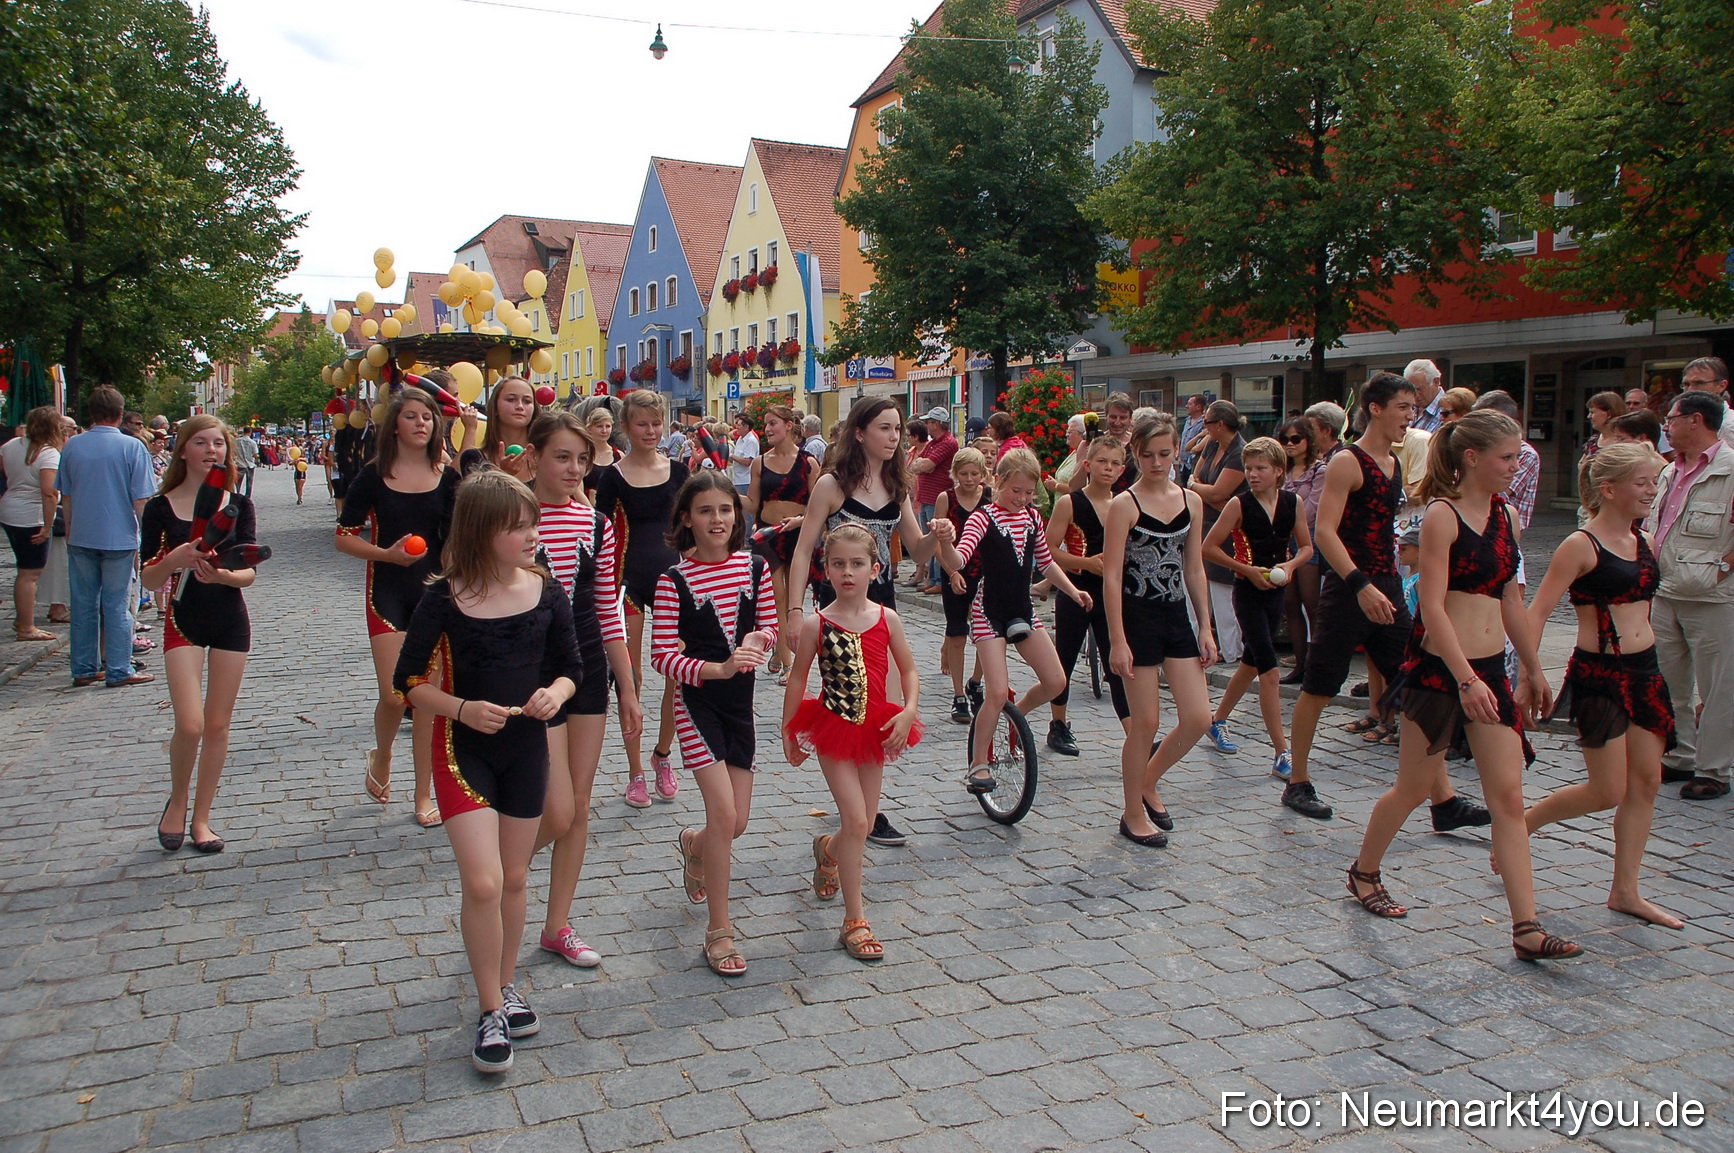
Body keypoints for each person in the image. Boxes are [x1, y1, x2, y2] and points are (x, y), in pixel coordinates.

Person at [1344, 411, 1581, 961]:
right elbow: (1431, 605)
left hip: (1489, 672)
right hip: (1439, 672)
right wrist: (1465, 677)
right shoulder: (1441, 518)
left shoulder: (1508, 517)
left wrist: (1533, 668)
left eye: (1518, 456)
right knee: (1411, 788)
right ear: (1472, 458)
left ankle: (1526, 928)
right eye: (1506, 457)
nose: (1515, 467)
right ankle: (1363, 872)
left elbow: (1511, 600)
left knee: (1509, 798)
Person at [394, 470, 582, 1073]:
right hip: (462, 752)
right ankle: (488, 1009)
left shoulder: (547, 590)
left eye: (533, 522)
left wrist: (555, 692)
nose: (532, 533)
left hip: (528, 749)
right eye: (518, 525)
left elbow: (571, 665)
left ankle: (505, 986)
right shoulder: (444, 597)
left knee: (515, 877)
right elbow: (409, 681)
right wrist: (461, 709)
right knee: (482, 881)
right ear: (481, 532)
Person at [1286, 373, 1486, 821]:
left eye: (1413, 408)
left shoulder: (1394, 463)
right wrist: (1360, 585)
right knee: (1319, 687)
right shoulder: (1347, 461)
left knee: (1412, 686)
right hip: (1348, 589)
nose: (1409, 416)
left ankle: (1443, 798)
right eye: (1402, 407)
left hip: (1387, 588)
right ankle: (1297, 780)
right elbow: (1325, 533)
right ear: (1375, 408)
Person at [1525, 443, 1683, 928]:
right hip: (1600, 675)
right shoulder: (1580, 545)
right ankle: (1523, 825)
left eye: (1654, 482)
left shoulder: (1648, 541)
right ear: (1609, 489)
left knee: (1647, 782)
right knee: (1607, 788)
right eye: (1642, 483)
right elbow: (1538, 611)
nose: (1651, 491)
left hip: (1646, 670)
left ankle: (1626, 891)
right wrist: (1530, 675)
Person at [785, 398, 948, 847]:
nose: (894, 437)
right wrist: (795, 613)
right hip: (837, 608)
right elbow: (803, 550)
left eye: (897, 429)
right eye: (884, 428)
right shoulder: (833, 485)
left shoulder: (898, 485)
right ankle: (856, 813)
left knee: (885, 706)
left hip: (882, 606)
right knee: (848, 700)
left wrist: (938, 535)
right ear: (860, 432)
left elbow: (915, 550)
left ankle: (865, 812)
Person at [523, 413, 643, 968]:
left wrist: (629, 686)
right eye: (561, 457)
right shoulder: (511, 512)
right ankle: (500, 875)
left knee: (581, 801)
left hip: (589, 664)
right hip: (532, 669)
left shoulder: (596, 522)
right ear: (534, 457)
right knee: (559, 807)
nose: (573, 469)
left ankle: (557, 924)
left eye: (581, 459)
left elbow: (607, 610)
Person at [653, 472, 778, 977]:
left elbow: (767, 625)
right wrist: (717, 668)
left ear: (737, 513)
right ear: (687, 518)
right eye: (705, 511)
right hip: (698, 704)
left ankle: (693, 844)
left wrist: (759, 645)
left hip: (740, 704)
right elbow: (662, 656)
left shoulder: (755, 566)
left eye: (725, 509)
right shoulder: (673, 579)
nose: (717, 520)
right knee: (724, 816)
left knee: (736, 822)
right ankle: (720, 931)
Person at [783, 524, 923, 962]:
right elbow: (799, 676)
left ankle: (828, 850)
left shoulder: (887, 618)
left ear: (875, 569)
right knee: (859, 822)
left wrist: (908, 709)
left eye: (857, 564)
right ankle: (854, 920)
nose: (847, 572)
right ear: (825, 570)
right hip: (833, 727)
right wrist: (789, 730)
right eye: (838, 564)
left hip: (876, 729)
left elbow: (910, 670)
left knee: (858, 822)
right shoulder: (817, 623)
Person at [932, 448, 1093, 796]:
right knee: (996, 691)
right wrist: (945, 542)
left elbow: (1047, 562)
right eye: (1015, 490)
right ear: (998, 482)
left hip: (1022, 609)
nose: (1021, 499)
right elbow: (959, 558)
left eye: (1028, 493)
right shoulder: (983, 517)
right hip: (988, 612)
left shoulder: (1033, 519)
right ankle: (978, 763)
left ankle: (1014, 716)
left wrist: (1072, 589)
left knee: (1055, 681)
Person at [335, 386, 461, 828]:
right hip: (387, 591)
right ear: (395, 424)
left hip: (436, 595)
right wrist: (385, 554)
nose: (421, 423)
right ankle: (383, 754)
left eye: (427, 416)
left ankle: (424, 794)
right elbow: (344, 535)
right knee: (394, 694)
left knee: (426, 697)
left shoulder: (448, 479)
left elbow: (459, 534)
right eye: (411, 416)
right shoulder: (372, 476)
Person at [139, 415, 258, 854]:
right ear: (183, 450)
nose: (213, 451)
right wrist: (176, 559)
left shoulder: (238, 506)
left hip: (229, 618)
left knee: (217, 725)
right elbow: (149, 579)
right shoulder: (160, 506)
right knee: (189, 724)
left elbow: (248, 572)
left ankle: (203, 817)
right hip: (182, 619)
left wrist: (223, 575)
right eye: (202, 443)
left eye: (220, 444)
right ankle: (178, 800)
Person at [1102, 415, 1216, 847]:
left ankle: (1148, 781)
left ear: (1176, 452)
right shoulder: (1124, 505)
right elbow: (1112, 575)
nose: (1156, 462)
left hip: (1175, 615)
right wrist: (1117, 639)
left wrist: (1205, 626)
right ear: (1135, 454)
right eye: (1147, 455)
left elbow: (1194, 566)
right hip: (1137, 616)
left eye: (1165, 454)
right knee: (1145, 722)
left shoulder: (1191, 501)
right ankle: (1133, 813)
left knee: (1198, 717)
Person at [592, 389, 691, 809]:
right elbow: (601, 530)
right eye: (641, 424)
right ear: (626, 427)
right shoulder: (613, 476)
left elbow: (693, 524)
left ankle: (663, 755)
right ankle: (634, 771)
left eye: (657, 423)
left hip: (674, 581)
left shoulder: (680, 470)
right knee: (629, 679)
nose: (650, 431)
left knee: (678, 675)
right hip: (626, 583)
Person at [1202, 436, 1314, 778]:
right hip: (1248, 593)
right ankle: (1282, 751)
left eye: (1260, 468)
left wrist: (1291, 567)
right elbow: (1209, 547)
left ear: (1278, 471)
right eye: (1248, 468)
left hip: (1275, 593)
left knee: (1251, 664)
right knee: (1270, 672)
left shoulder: (1292, 503)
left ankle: (1216, 720)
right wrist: (1246, 569)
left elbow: (1307, 547)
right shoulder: (1239, 505)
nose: (1252, 474)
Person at [1648, 389, 1734, 800]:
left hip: (1713, 597)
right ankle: (1680, 754)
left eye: (1673, 417)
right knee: (1669, 679)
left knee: (1719, 686)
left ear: (1697, 420)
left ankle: (1714, 768)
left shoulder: (1731, 468)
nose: (1666, 425)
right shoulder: (1669, 470)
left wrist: (1723, 569)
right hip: (1665, 590)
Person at [56, 385, 156, 687]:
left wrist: (72, 529)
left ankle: (84, 667)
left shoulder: (73, 445)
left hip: (82, 535)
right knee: (118, 604)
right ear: (120, 413)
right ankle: (119, 667)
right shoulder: (132, 447)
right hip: (119, 536)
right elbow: (141, 500)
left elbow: (67, 495)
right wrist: (147, 538)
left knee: (83, 603)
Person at [1044, 434, 1129, 755]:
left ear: (1123, 469)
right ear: (1087, 464)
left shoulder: (1124, 503)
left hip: (1112, 593)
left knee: (1117, 663)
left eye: (1115, 463)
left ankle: (1133, 733)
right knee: (1063, 658)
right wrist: (1085, 563)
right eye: (1102, 461)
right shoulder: (1071, 502)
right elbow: (1049, 551)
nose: (1108, 468)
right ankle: (1059, 723)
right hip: (1076, 589)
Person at [745, 404, 816, 680]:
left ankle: (783, 650)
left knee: (793, 599)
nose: (768, 429)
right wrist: (724, 491)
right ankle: (788, 663)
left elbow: (818, 505)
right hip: (768, 534)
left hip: (798, 534)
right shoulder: (760, 462)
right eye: (766, 424)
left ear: (789, 425)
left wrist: (800, 521)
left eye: (773, 423)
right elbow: (752, 503)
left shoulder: (808, 462)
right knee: (776, 595)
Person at [1188, 399, 1249, 668]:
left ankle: (1232, 648)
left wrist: (1201, 489)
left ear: (1221, 424)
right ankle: (1210, 641)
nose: (1204, 426)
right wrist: (1203, 490)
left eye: (1208, 422)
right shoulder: (1212, 444)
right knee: (1204, 581)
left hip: (1229, 525)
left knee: (1223, 586)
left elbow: (1220, 492)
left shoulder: (1239, 452)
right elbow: (1195, 477)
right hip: (1207, 517)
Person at [933, 448, 990, 724]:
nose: (969, 479)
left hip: (985, 573)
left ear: (983, 475)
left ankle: (976, 682)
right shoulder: (947, 498)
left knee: (986, 633)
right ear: (955, 474)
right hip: (954, 569)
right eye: (964, 474)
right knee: (957, 633)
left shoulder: (990, 498)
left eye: (974, 474)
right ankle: (958, 695)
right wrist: (952, 572)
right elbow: (937, 544)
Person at [1, 406, 65, 642]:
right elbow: (49, 492)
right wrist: (47, 527)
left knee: (24, 569)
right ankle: (26, 626)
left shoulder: (11, 445)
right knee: (30, 574)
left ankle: (22, 619)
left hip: (10, 510)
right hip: (31, 515)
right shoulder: (48, 453)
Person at [1276, 416, 1318, 682]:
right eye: (1285, 440)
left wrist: (1288, 517)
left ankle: (1316, 665)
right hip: (1283, 540)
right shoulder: (1282, 471)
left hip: (1308, 539)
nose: (1290, 445)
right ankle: (1300, 663)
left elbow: (1313, 508)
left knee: (1311, 603)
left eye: (1295, 439)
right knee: (1290, 603)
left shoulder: (1319, 470)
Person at [910, 407, 957, 593]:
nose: (926, 425)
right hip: (926, 496)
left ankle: (939, 580)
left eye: (928, 422)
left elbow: (928, 464)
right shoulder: (933, 443)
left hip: (937, 497)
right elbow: (916, 464)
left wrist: (924, 466)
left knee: (937, 538)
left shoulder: (947, 443)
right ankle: (932, 578)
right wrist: (922, 466)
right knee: (928, 539)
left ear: (936, 424)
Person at [460, 376, 542, 481]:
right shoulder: (475, 459)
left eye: (527, 401)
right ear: (495, 407)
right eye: (511, 399)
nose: (520, 406)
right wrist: (505, 474)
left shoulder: (545, 458)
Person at [1681, 356, 1734, 450]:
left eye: (1698, 383)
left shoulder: (1730, 426)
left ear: (1721, 386)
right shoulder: (1680, 421)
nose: (1690, 390)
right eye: (1686, 384)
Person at [727, 412, 760, 525]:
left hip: (746, 480)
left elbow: (747, 461)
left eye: (739, 425)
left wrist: (732, 456)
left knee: (747, 513)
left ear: (746, 427)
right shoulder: (741, 439)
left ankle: (748, 539)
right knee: (740, 511)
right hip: (738, 479)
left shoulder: (751, 441)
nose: (736, 427)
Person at [1582, 391, 1628, 461]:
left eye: (1592, 412)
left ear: (1609, 414)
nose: (1589, 416)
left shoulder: (1626, 442)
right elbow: (1581, 465)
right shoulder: (1593, 441)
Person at [1405, 359, 1447, 433]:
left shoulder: (1448, 412)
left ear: (1436, 382)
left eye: (1420, 389)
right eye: (1411, 390)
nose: (1416, 395)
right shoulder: (1410, 409)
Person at [1177, 394, 1207, 483]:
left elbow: (1198, 446)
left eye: (1190, 404)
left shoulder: (1204, 423)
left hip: (1194, 464)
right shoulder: (1187, 421)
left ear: (1198, 407)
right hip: (1183, 464)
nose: (1186, 406)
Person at [233, 429, 258, 498]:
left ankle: (237, 494)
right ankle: (247, 496)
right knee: (249, 482)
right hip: (250, 464)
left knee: (238, 481)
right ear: (250, 432)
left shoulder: (237, 441)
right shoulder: (252, 442)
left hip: (240, 463)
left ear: (243, 432)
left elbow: (233, 452)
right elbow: (255, 454)